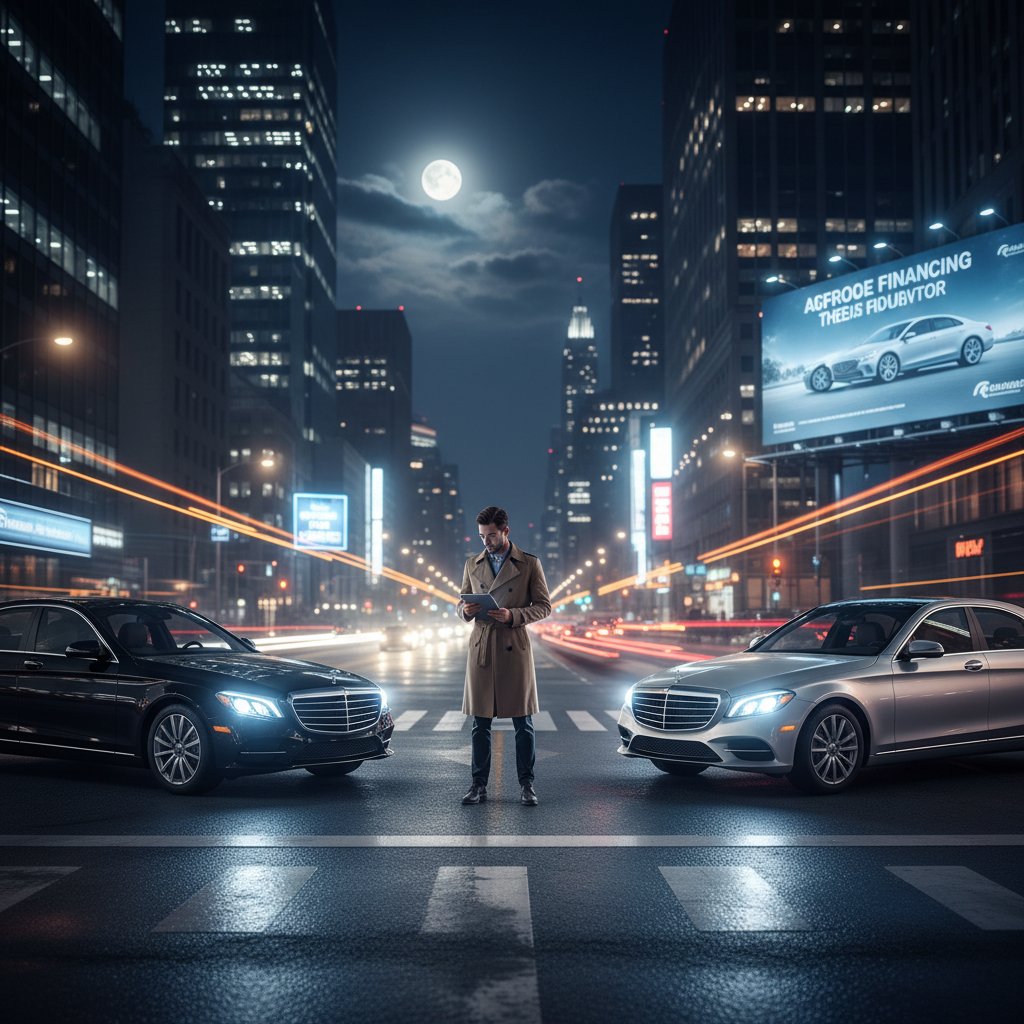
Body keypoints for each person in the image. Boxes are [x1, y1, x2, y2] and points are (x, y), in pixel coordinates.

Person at [457, 506, 551, 806]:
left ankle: (527, 785)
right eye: (482, 536)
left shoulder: (529, 564)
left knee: (523, 724)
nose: (486, 541)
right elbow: (460, 602)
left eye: (492, 535)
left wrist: (513, 614)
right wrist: (465, 611)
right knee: (479, 724)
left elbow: (544, 606)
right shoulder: (472, 563)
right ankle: (477, 786)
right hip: (483, 647)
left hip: (513, 644)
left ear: (506, 531)